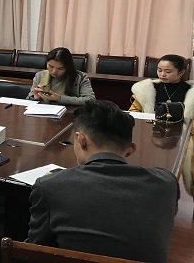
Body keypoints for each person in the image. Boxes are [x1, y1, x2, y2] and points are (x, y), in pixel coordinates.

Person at [27, 99, 179, 262]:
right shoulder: (166, 183)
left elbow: (33, 252)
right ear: (130, 150)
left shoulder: (50, 187)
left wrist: (54, 182)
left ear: (81, 139)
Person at [128, 54, 194, 202]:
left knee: (173, 172)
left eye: (168, 71)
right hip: (150, 135)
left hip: (181, 138)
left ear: (181, 72)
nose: (162, 74)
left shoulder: (190, 92)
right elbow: (134, 113)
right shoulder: (147, 89)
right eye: (159, 70)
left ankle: (170, 199)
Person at [27, 47, 95, 105]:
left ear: (68, 67)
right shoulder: (40, 75)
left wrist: (59, 98)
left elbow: (90, 100)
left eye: (60, 68)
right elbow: (28, 99)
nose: (54, 71)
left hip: (70, 113)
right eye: (51, 66)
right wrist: (35, 97)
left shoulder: (80, 77)